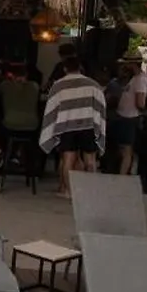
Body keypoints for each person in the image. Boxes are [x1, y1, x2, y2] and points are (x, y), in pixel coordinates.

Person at [39, 53, 107, 197]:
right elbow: (101, 107)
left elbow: (51, 108)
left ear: (65, 69)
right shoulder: (93, 85)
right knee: (90, 160)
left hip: (66, 126)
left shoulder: (58, 85)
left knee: (68, 159)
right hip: (88, 126)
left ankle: (69, 192)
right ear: (80, 68)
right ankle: (90, 193)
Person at [109, 58, 147, 175]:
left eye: (127, 63)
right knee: (123, 149)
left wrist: (144, 111)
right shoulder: (135, 79)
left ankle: (122, 176)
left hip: (130, 118)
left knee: (126, 150)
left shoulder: (140, 80)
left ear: (133, 64)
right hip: (124, 117)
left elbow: (140, 102)